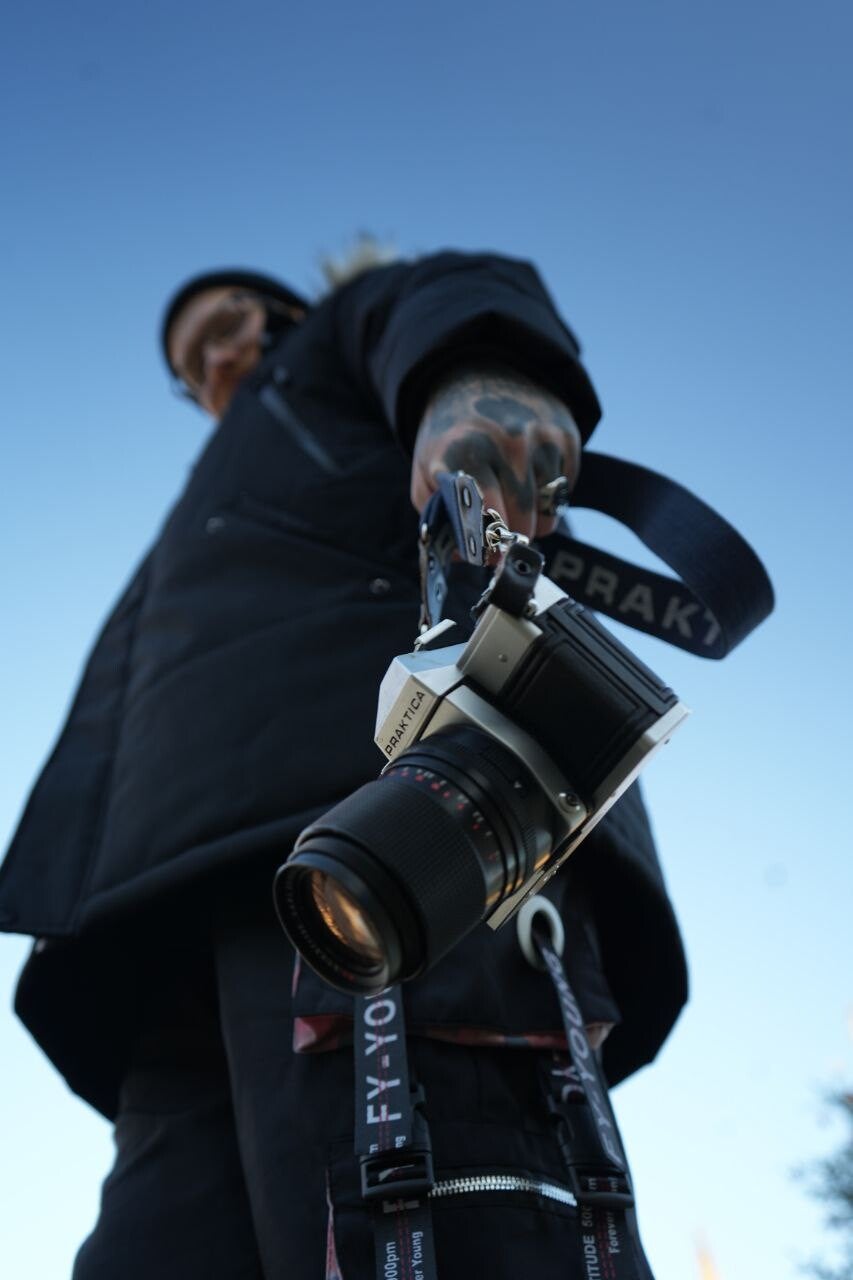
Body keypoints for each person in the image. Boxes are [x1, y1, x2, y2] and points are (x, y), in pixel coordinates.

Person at [0, 246, 687, 1278]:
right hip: (166, 922)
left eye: (227, 324)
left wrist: (477, 385)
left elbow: (437, 297)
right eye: (190, 364)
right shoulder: (216, 494)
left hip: (393, 835)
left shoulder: (341, 344)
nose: (214, 359)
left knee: (436, 1224)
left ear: (286, 312)